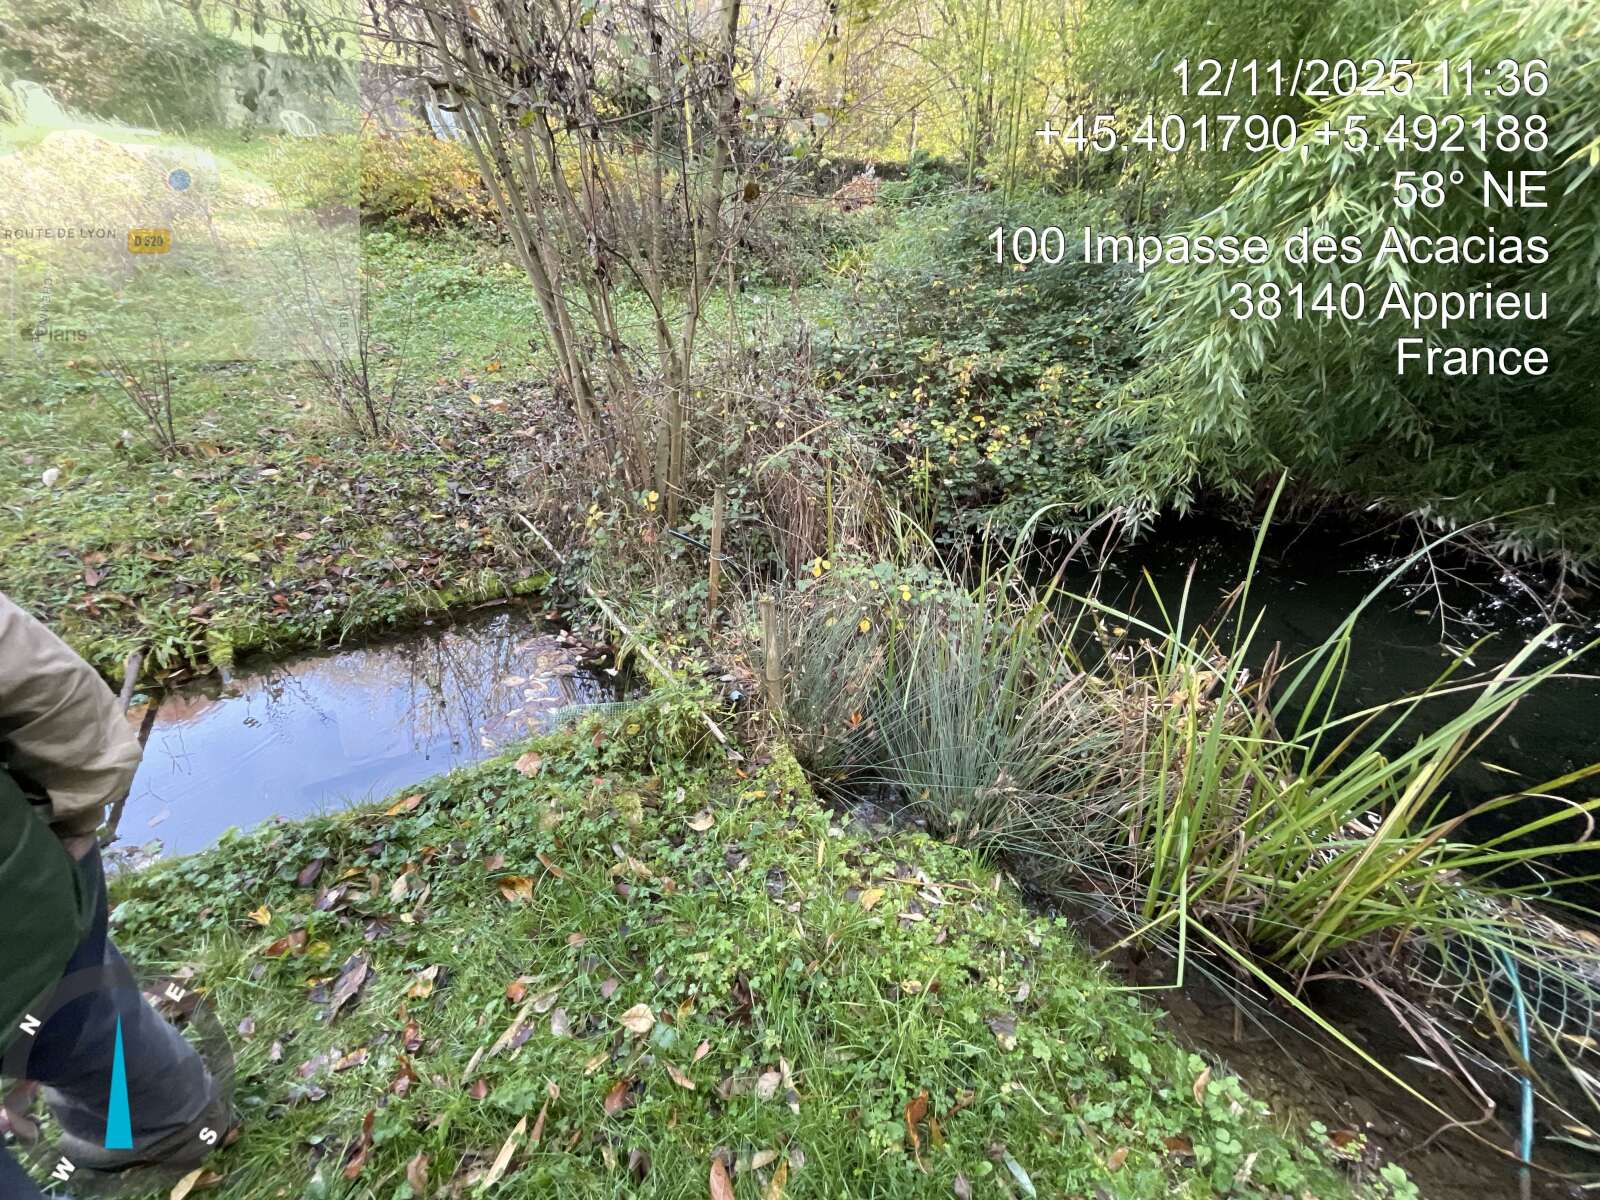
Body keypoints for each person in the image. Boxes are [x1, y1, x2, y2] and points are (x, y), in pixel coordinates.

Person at [0, 592, 228, 1197]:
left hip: (20, 911)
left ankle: (164, 1124)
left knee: (76, 1019)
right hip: (25, 896)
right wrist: (74, 820)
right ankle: (171, 1120)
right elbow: (43, 683)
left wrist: (75, 822)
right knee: (79, 1017)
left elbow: (48, 689)